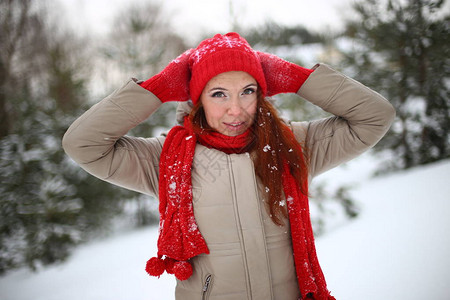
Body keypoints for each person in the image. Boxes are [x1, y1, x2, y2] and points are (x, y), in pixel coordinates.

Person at [62, 32, 395, 300]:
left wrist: (299, 78)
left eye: (247, 91)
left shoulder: (294, 145)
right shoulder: (165, 159)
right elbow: (83, 144)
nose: (236, 110)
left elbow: (375, 117)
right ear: (198, 101)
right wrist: (155, 90)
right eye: (219, 94)